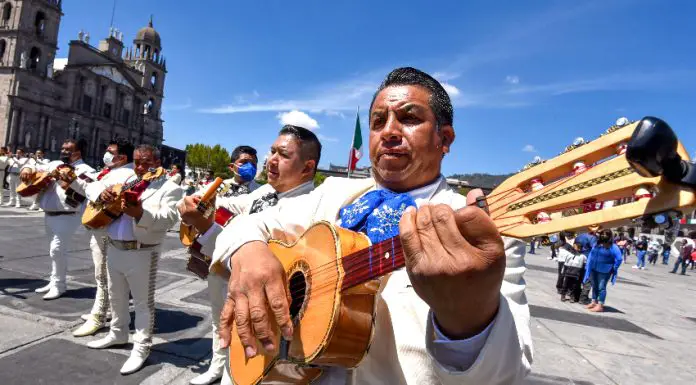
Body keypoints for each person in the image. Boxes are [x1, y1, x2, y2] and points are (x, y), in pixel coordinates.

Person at [212, 67, 532, 384]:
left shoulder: (482, 230)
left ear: (444, 138)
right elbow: (249, 224)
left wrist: (470, 317)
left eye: (409, 118)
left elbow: (510, 371)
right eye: (378, 122)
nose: (389, 132)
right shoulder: (334, 192)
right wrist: (248, 251)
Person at [179, 126, 321, 385]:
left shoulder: (308, 207)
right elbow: (227, 205)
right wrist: (198, 200)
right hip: (225, 280)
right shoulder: (265, 191)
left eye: (283, 155)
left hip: (261, 313)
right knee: (221, 329)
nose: (271, 160)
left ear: (307, 167)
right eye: (272, 151)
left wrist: (204, 226)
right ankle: (217, 367)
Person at [85, 145, 183, 375]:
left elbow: (168, 220)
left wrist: (139, 213)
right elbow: (93, 185)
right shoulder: (127, 179)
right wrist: (103, 194)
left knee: (142, 303)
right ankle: (117, 333)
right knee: (115, 296)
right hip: (114, 247)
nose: (140, 167)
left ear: (158, 163)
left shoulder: (170, 187)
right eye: (137, 161)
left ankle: (141, 347)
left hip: (142, 252)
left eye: (146, 162)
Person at [72, 138, 136, 337]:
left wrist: (93, 189)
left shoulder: (127, 174)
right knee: (104, 275)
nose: (106, 154)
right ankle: (106, 310)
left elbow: (98, 191)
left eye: (110, 151)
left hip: (108, 230)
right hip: (102, 227)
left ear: (122, 157)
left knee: (103, 275)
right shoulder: (111, 172)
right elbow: (92, 189)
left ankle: (98, 316)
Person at [18, 139, 95, 300]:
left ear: (78, 152)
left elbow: (88, 191)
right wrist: (27, 167)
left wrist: (71, 180)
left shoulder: (85, 169)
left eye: (68, 149)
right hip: (49, 214)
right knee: (54, 251)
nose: (63, 151)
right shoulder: (55, 164)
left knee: (57, 250)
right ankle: (53, 281)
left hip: (68, 215)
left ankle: (60, 285)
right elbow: (36, 164)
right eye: (63, 148)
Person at [583, 229, 623, 313]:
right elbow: (591, 254)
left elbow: (619, 259)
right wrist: (588, 265)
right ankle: (594, 302)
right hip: (594, 268)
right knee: (594, 285)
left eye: (605, 235)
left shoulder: (613, 247)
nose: (603, 236)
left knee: (601, 287)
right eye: (602, 235)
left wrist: (614, 267)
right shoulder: (597, 244)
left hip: (605, 270)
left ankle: (600, 305)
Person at [574, 228, 598, 305]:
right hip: (588, 260)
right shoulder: (593, 238)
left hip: (578, 258)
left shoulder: (579, 236)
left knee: (578, 278)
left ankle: (575, 295)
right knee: (588, 280)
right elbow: (595, 250)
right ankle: (583, 298)